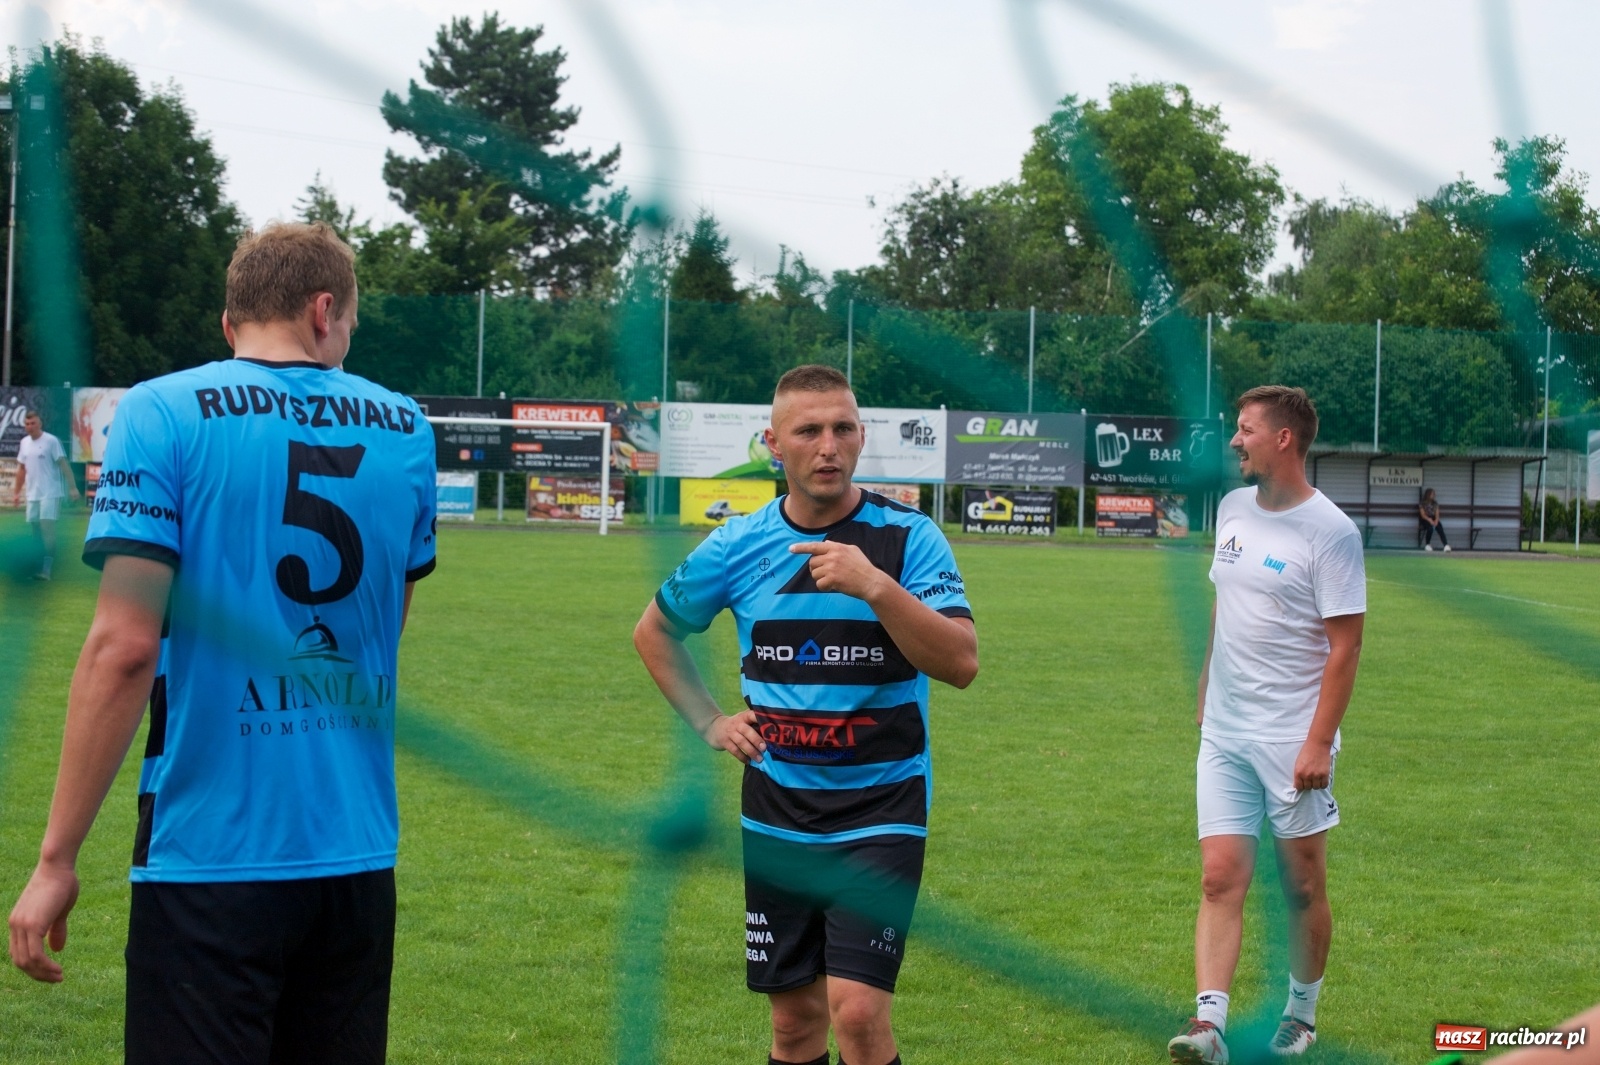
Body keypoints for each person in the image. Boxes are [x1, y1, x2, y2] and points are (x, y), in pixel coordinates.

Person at [7, 221, 438, 1065]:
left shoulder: (161, 409)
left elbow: (124, 647)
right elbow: (387, 624)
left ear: (228, 322)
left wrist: (55, 856)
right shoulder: (406, 426)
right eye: (350, 322)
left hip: (210, 850)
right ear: (325, 311)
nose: (346, 340)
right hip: (354, 852)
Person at [633, 364, 978, 1065]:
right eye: (809, 430)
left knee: (857, 1014)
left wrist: (875, 585)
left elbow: (961, 662)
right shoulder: (737, 544)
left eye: (843, 428)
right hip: (777, 814)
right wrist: (710, 722)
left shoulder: (908, 539)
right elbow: (653, 631)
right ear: (774, 444)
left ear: (861, 436)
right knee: (793, 1023)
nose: (829, 445)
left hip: (882, 809)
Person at [1169, 386, 1366, 1064]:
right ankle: (1209, 1024)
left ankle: (1301, 1014)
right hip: (1224, 730)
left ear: (1283, 439)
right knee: (1220, 875)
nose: (1234, 440)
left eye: (1245, 429)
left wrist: (1318, 740)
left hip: (1292, 737)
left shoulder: (1332, 532)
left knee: (1301, 882)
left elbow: (1346, 646)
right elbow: (1226, 602)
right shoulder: (1231, 509)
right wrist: (1205, 685)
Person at [11, 408, 81, 579]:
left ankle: (47, 570)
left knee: (46, 529)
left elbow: (64, 465)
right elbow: (21, 469)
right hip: (32, 494)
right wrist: (16, 492)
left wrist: (72, 487)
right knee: (35, 531)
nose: (30, 426)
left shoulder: (51, 441)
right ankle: (36, 567)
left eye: (33, 423)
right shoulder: (24, 443)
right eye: (27, 424)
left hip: (50, 493)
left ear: (40, 423)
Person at [1418, 487, 1451, 552]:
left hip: (1433, 518)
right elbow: (1423, 515)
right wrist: (1429, 520)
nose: (1434, 495)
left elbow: (1437, 513)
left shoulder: (1435, 503)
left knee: (1439, 527)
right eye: (1433, 494)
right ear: (1428, 494)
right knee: (1430, 528)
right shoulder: (1422, 503)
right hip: (1425, 519)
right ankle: (1427, 544)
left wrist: (1436, 520)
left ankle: (1446, 545)